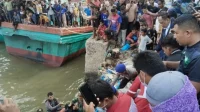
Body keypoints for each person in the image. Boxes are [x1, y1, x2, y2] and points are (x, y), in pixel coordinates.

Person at [164, 14, 200, 102]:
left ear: (187, 33)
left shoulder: (198, 56)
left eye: (176, 33)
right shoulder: (189, 45)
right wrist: (166, 63)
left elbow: (191, 91)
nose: (174, 36)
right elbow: (186, 63)